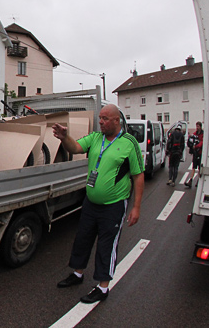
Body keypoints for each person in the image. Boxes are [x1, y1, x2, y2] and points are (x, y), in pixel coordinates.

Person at [52, 104, 145, 304]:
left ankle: (103, 287)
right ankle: (77, 274)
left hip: (114, 205)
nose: (100, 122)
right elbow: (75, 148)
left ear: (116, 120)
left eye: (105, 118)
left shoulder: (129, 143)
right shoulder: (96, 138)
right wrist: (64, 138)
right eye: (100, 118)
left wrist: (136, 207)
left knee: (106, 245)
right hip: (91, 202)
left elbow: (138, 176)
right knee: (82, 238)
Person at [185, 121, 204, 188]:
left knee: (199, 168)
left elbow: (202, 142)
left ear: (200, 127)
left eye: (198, 126)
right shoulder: (196, 133)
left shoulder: (202, 134)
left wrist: (196, 146)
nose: (197, 127)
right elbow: (192, 137)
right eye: (196, 126)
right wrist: (190, 137)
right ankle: (190, 180)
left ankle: (199, 181)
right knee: (193, 167)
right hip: (195, 153)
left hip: (200, 153)